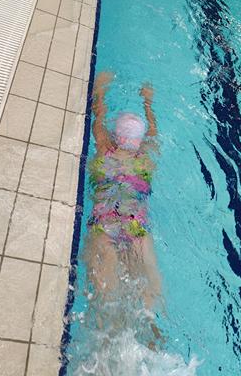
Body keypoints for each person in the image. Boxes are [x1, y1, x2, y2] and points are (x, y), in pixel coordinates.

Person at [86, 73, 162, 311]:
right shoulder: (145, 159)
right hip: (136, 225)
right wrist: (148, 103)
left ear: (115, 136)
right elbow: (153, 132)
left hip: (105, 222)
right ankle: (152, 325)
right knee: (149, 289)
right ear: (139, 142)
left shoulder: (104, 150)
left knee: (104, 297)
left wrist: (100, 91)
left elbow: (97, 120)